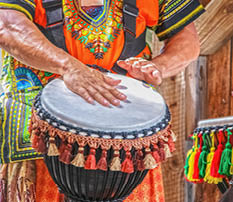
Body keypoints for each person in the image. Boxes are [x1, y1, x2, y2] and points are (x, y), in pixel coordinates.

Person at [0, 0, 204, 201]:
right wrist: (67, 66)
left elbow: (187, 38)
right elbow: (6, 24)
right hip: (42, 131)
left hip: (127, 136)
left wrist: (159, 67)